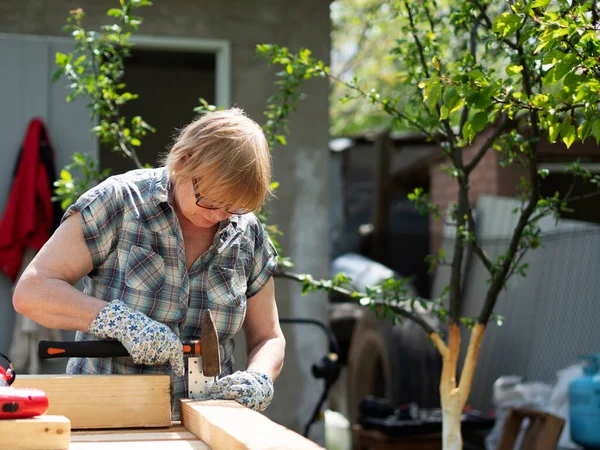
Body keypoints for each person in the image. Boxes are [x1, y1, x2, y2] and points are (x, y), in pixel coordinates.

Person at [12, 108, 286, 418]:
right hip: (106, 418)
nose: (217, 215)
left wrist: (260, 378)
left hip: (206, 423)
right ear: (183, 161)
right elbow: (32, 291)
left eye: (231, 207)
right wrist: (119, 322)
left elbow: (269, 337)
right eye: (209, 199)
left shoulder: (247, 234)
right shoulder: (118, 203)